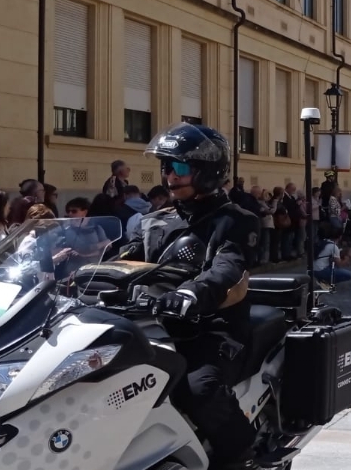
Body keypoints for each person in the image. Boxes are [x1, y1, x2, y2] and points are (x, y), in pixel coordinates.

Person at [117, 122, 261, 470]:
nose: (169, 176)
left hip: (210, 327)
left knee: (199, 388)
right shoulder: (156, 220)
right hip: (153, 324)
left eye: (179, 167)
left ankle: (242, 454)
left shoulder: (237, 220)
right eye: (165, 167)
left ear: (208, 170)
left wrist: (192, 293)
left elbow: (227, 266)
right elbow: (126, 257)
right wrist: (82, 272)